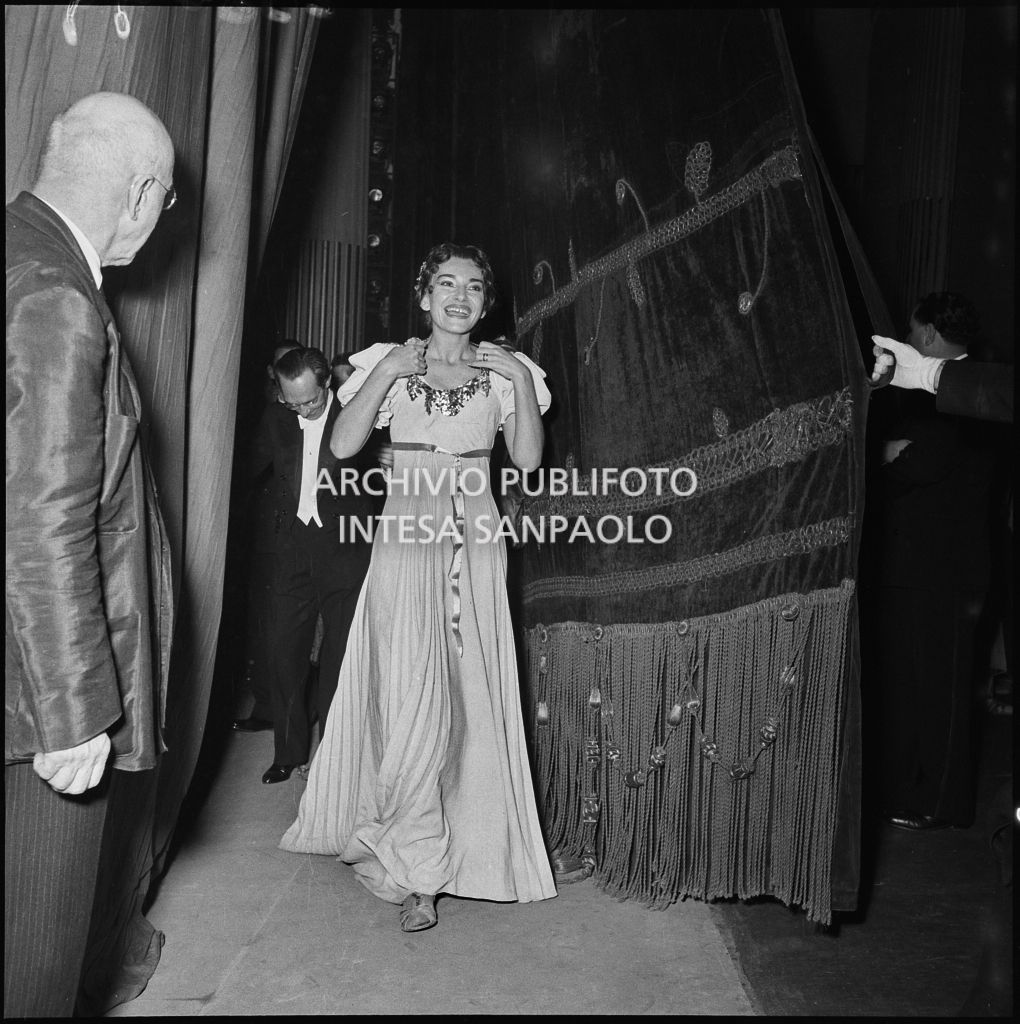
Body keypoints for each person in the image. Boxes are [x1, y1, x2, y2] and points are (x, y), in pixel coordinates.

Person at [281, 242, 557, 931]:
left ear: (486, 304)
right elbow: (343, 445)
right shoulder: (388, 361)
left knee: (469, 699)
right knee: (410, 697)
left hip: (476, 541)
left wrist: (520, 387)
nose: (458, 297)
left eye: (472, 287)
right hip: (406, 536)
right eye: (445, 284)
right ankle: (415, 867)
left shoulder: (508, 372)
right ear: (424, 296)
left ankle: (458, 858)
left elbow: (525, 458)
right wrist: (388, 375)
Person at [5, 92, 175, 1017]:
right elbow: (41, 516)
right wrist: (74, 715)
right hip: (35, 699)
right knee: (34, 968)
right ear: (145, 192)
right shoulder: (56, 298)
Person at [868, 293, 997, 831]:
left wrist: (882, 453)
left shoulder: (964, 388)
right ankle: (914, 790)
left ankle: (938, 803)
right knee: (919, 684)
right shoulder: (968, 382)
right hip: (928, 563)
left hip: (942, 568)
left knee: (939, 690)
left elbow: (923, 463)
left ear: (925, 335)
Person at [249, 346, 373, 784]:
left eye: (310, 401)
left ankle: (332, 754)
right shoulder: (276, 416)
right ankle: (287, 752)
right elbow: (248, 471)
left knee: (339, 657)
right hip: (291, 547)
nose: (301, 409)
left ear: (328, 384)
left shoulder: (359, 411)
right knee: (284, 653)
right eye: (291, 402)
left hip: (344, 547)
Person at [234, 340, 302, 734]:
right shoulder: (272, 410)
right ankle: (268, 706)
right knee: (265, 625)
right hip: (266, 532)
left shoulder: (287, 412)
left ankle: (280, 711)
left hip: (284, 535)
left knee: (278, 627)